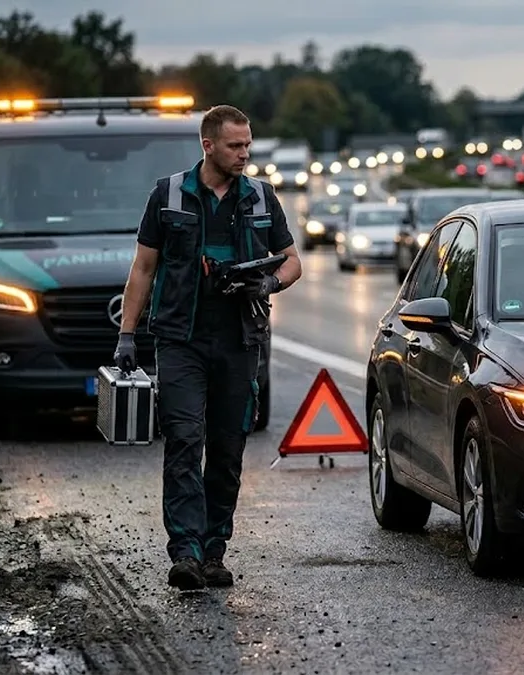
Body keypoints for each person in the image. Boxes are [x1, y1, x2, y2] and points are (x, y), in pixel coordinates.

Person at [112, 105, 302, 590]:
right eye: (235, 146)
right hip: (180, 340)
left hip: (240, 342)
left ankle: (215, 552)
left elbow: (292, 263)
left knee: (227, 449)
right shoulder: (169, 194)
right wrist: (127, 335)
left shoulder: (261, 197)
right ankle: (186, 553)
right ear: (208, 145)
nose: (244, 154)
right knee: (182, 441)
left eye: (248, 145)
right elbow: (143, 269)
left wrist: (267, 286)